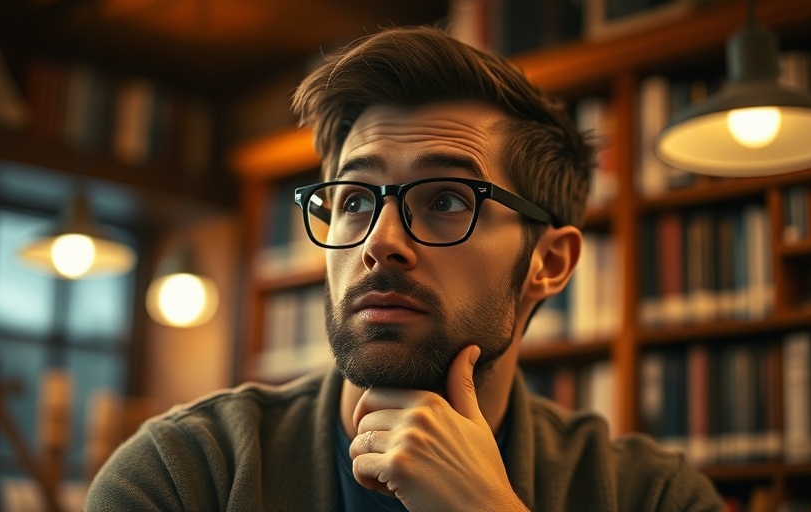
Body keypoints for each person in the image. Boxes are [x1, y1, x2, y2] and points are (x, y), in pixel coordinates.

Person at [85, 26, 724, 511]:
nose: (380, 243)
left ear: (548, 263)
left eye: (446, 200)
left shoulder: (651, 495)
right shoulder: (186, 475)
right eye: (356, 201)